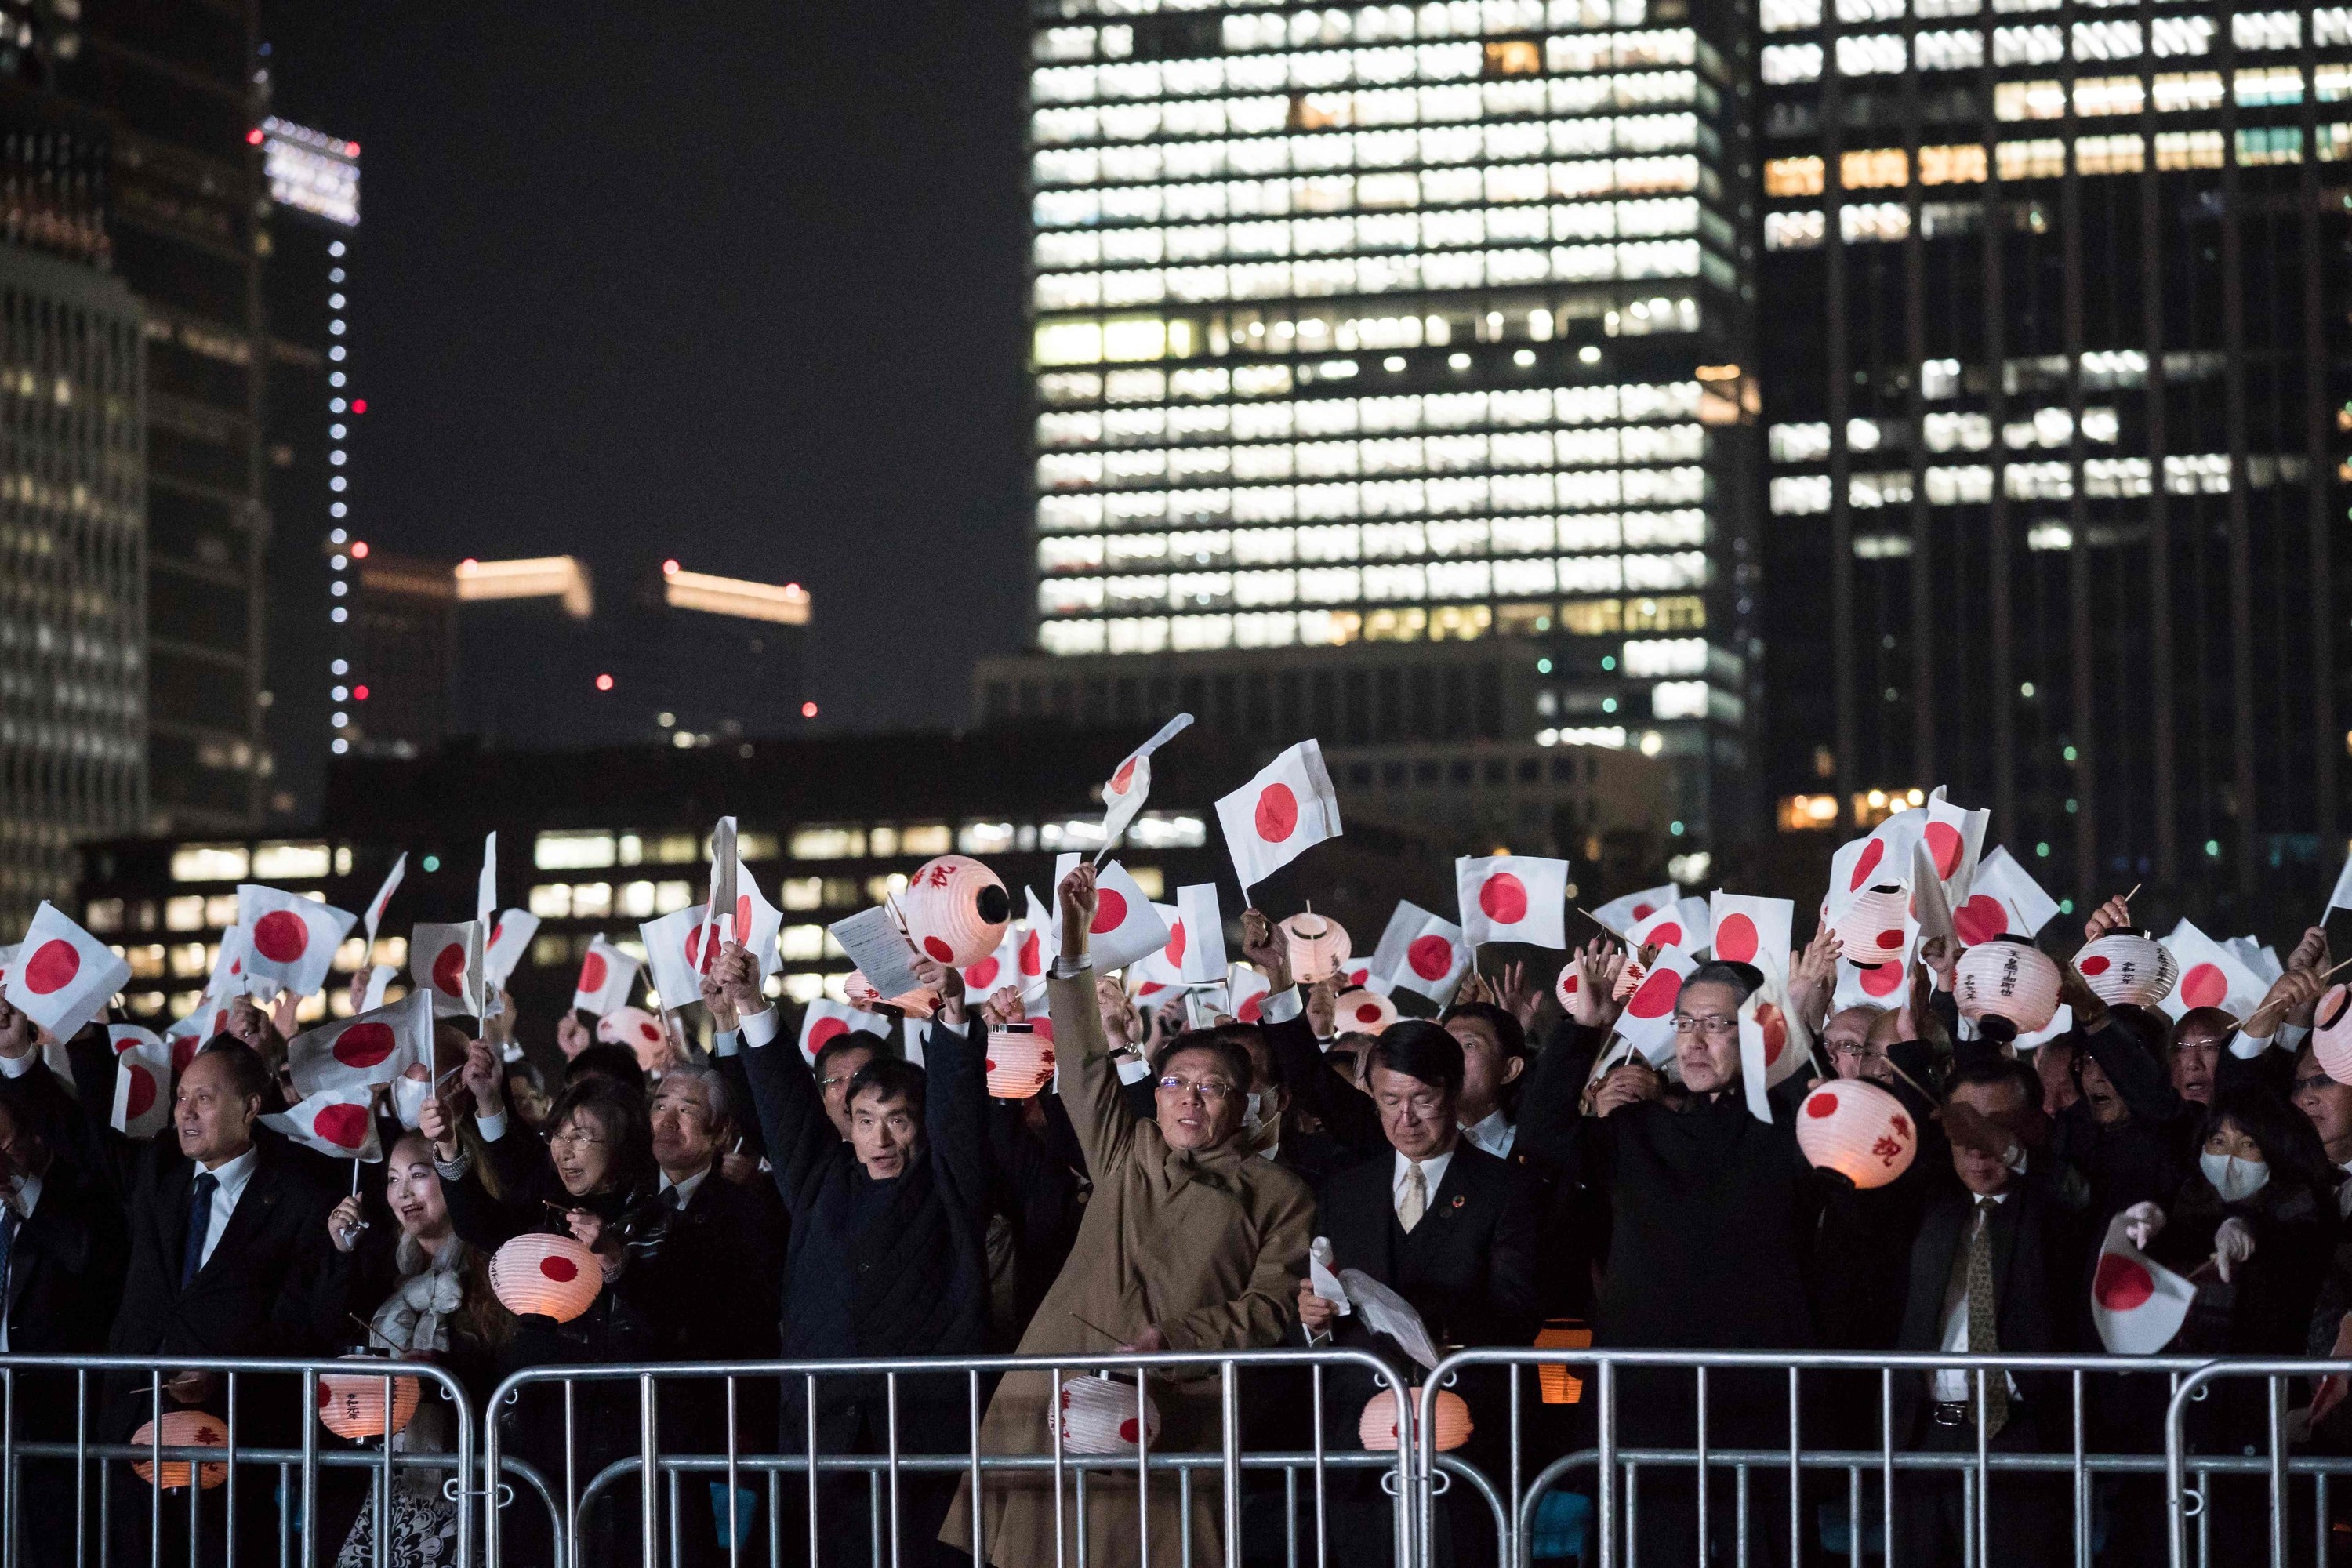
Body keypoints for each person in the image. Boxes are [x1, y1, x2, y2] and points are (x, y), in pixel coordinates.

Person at [944, 863, 1315, 1568]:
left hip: (1174, 1413)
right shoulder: (1127, 1146)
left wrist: (1172, 1341)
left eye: (1213, 1088)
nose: (1189, 1100)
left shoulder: (1279, 1193)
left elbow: (1272, 1309)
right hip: (1049, 1398)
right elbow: (1083, 1065)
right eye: (1176, 1082)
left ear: (1243, 1105)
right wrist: (1075, 946)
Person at [719, 942, 990, 1568]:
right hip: (822, 1440)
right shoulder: (821, 1179)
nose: (880, 1138)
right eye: (866, 1120)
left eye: (898, 1120)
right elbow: (784, 1097)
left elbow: (957, 1105)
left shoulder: (950, 1186)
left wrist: (951, 1013)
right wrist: (750, 1003)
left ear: (921, 1125)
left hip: (924, 1442)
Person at [1573, 960, 1820, 1564]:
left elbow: (1797, 1136)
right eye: (1684, 1023)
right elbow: (1541, 1140)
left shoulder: (1784, 1131)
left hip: (1760, 1408)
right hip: (1645, 1405)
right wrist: (1584, 1030)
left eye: (1717, 1024)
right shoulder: (1635, 1132)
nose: (1695, 1040)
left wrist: (1794, 1026)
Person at [1295, 1021, 1541, 1566]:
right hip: (1359, 1435)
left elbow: (1518, 1309)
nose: (1405, 1119)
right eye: (1389, 1101)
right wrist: (1316, 1319)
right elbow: (1327, 1301)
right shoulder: (1346, 1190)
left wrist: (1433, 1323)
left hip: (1459, 1433)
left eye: (1422, 1100)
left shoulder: (1505, 1189)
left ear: (1454, 1093)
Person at [105, 1041, 339, 1563]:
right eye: (182, 1097)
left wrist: (225, 1371)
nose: (185, 1111)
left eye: (204, 1098)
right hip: (130, 1435)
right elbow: (83, 1138)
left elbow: (300, 1325)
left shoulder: (298, 1197)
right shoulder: (157, 1174)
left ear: (251, 1107)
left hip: (232, 1446)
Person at [1892, 1060, 2080, 1568]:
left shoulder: (2053, 1211)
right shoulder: (1928, 1205)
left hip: (2024, 1442)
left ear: (2032, 1127)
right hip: (1925, 1440)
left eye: (1995, 1125)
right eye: (1964, 1126)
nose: (1978, 1145)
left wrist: (2009, 1148)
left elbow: (2079, 1197)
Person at [313, 1132, 508, 1568]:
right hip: (379, 1481)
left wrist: (437, 1372)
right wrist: (342, 1254)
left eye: (419, 1176)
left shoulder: (491, 1263)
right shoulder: (380, 1263)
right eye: (393, 1179)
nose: (403, 1193)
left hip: (462, 1481)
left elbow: (499, 1362)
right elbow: (327, 1336)